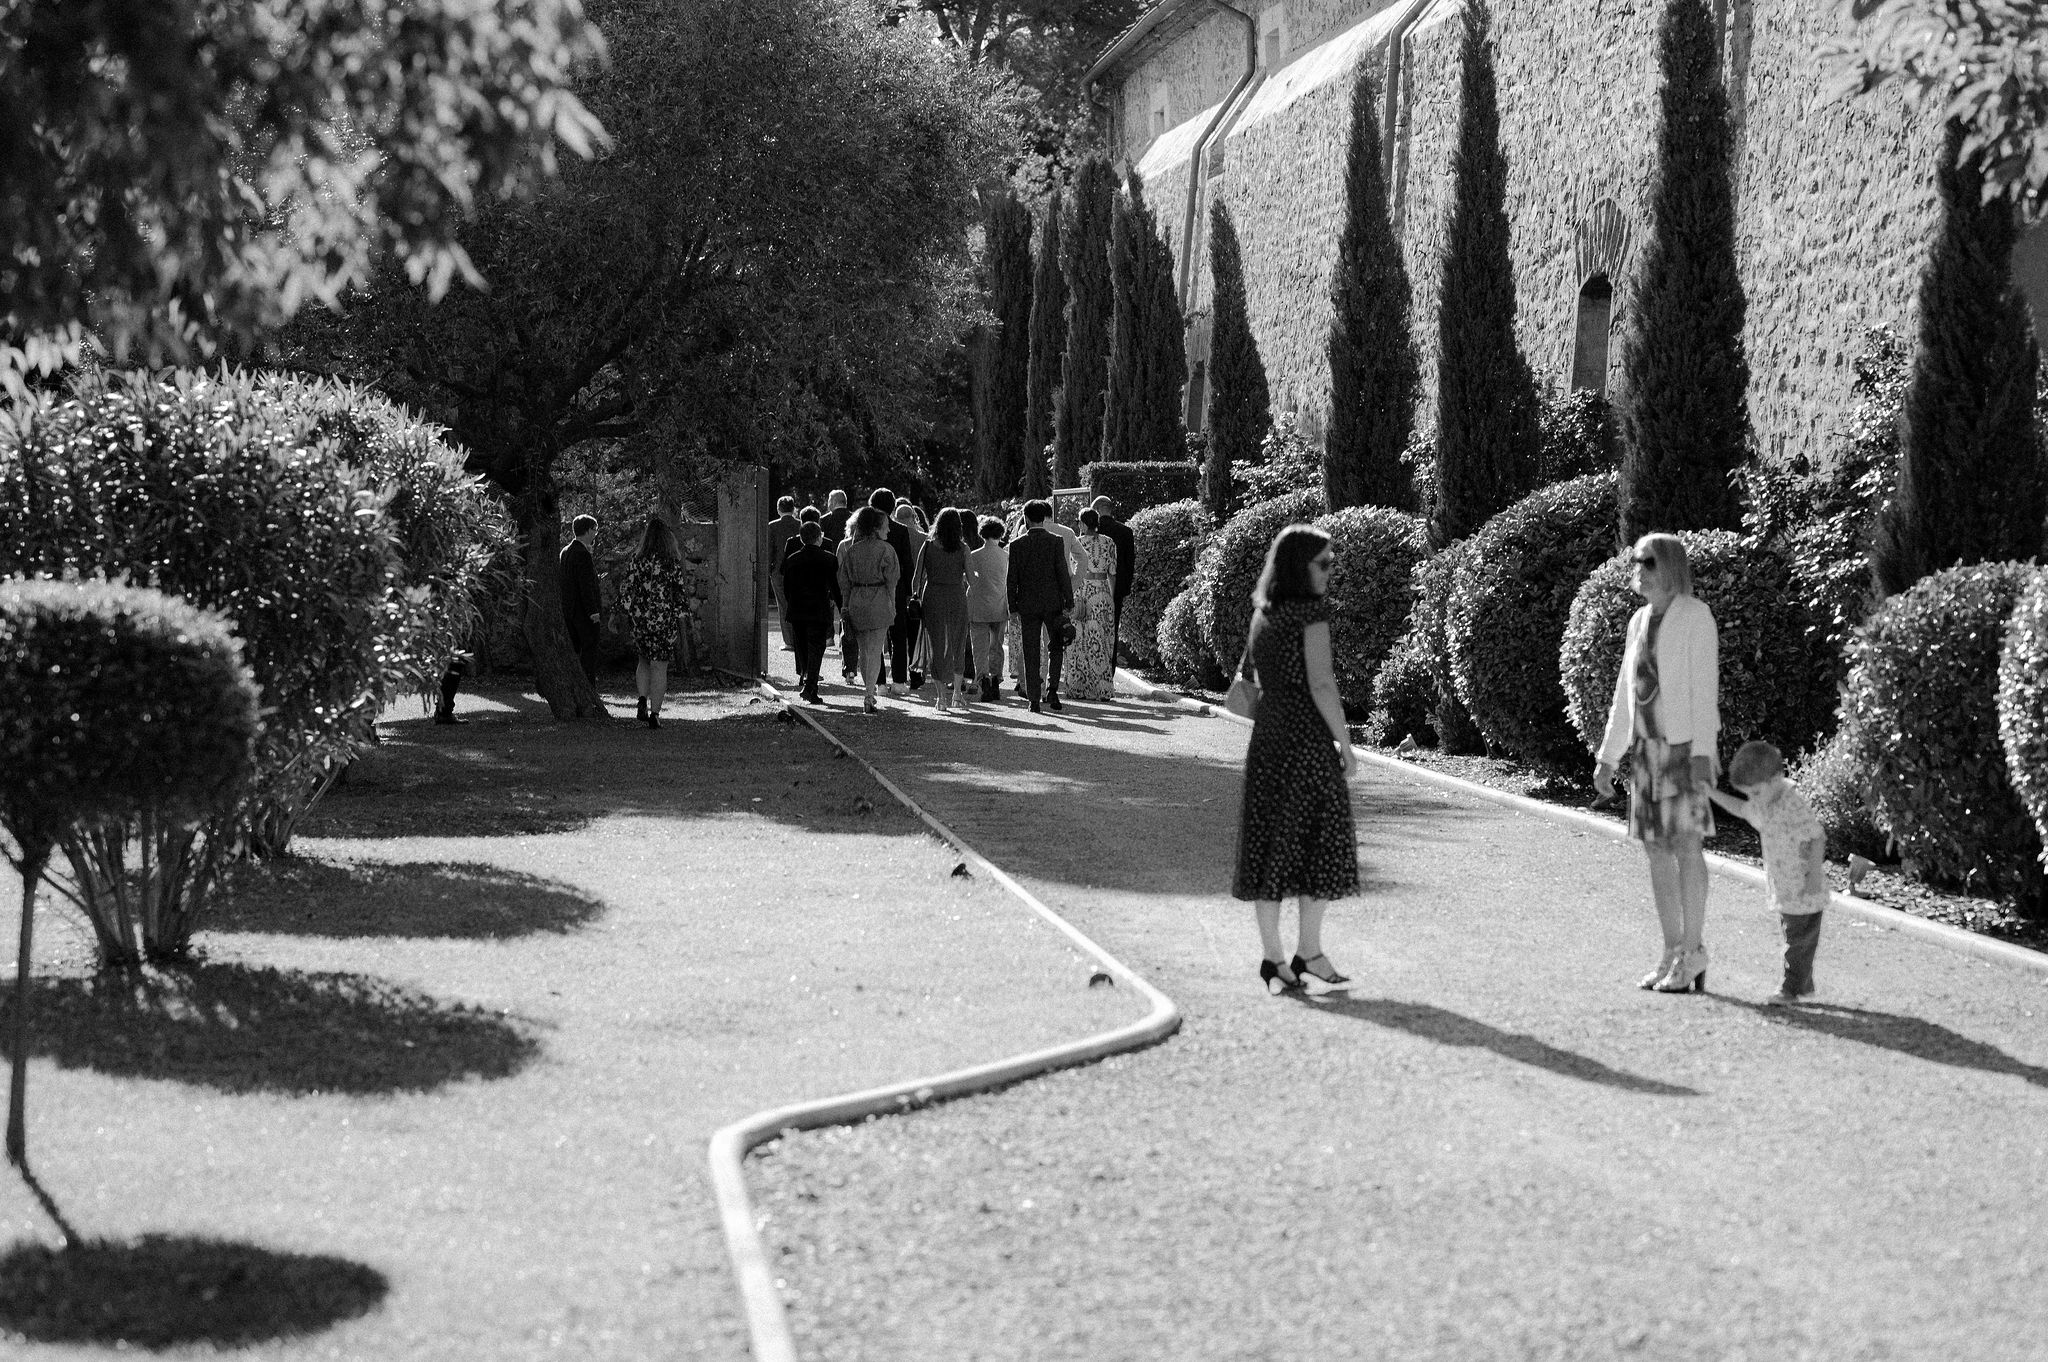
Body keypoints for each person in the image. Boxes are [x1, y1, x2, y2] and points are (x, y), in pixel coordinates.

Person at [1232, 524, 1359, 995]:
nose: (1329, 571)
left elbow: (1246, 684)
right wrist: (1345, 744)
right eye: (1323, 563)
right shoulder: (1311, 614)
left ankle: (1274, 959)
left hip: (1268, 739)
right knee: (1318, 841)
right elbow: (1322, 683)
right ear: (1299, 566)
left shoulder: (1262, 615)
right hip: (1306, 739)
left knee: (1269, 844)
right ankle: (1310, 951)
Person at [1594, 532, 1722, 995]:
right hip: (1647, 753)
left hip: (1684, 750)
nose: (1639, 570)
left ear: (1669, 566)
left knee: (1687, 847)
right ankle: (1671, 951)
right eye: (1637, 561)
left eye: (1647, 561)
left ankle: (1693, 951)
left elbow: (1705, 690)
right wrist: (1608, 757)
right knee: (1656, 851)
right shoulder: (1638, 621)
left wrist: (1704, 753)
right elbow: (1625, 694)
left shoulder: (1695, 615)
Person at [1708, 741, 1830, 1005]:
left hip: (1803, 887)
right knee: (1797, 938)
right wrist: (1710, 793)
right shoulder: (1766, 801)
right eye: (1749, 794)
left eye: (1755, 792)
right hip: (1788, 888)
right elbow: (1742, 809)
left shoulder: (1791, 804)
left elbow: (1817, 837)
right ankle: (1801, 985)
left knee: (1797, 941)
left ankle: (1790, 988)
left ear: (1775, 779)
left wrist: (1813, 876)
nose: (1753, 799)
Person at [618, 516, 690, 729]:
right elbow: (679, 592)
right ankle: (655, 714)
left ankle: (642, 698)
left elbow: (627, 587)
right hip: (663, 620)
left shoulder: (637, 559)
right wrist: (682, 617)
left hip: (640, 619)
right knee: (660, 666)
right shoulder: (671, 561)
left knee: (643, 660)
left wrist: (621, 611)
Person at [1006, 499, 1073, 714]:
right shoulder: (1055, 541)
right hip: (1052, 602)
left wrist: (1012, 606)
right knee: (1056, 646)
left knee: (1031, 650)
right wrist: (1069, 600)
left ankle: (1034, 699)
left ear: (1026, 518)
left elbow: (1011, 579)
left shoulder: (1017, 545)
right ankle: (1052, 689)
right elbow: (1062, 572)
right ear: (1044, 518)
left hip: (1027, 604)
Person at [837, 505, 900, 713]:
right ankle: (869, 695)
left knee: (864, 652)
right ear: (875, 528)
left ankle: (868, 691)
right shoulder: (886, 550)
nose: (888, 529)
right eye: (885, 526)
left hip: (857, 601)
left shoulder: (852, 550)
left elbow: (844, 583)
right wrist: (892, 606)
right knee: (875, 651)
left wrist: (845, 606)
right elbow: (892, 582)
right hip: (879, 600)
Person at [913, 507, 973, 712]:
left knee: (936, 645)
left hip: (933, 597)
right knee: (958, 643)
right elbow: (972, 580)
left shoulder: (928, 545)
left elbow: (916, 577)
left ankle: (941, 699)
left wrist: (915, 597)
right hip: (956, 596)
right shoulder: (963, 548)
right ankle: (956, 694)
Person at [781, 521, 843, 705]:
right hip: (818, 609)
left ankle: (808, 680)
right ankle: (810, 686)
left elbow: (786, 589)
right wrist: (841, 607)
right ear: (819, 538)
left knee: (802, 648)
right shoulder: (829, 559)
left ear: (801, 538)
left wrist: (792, 603)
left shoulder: (792, 559)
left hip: (798, 609)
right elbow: (835, 587)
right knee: (816, 648)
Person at [1064, 508, 1118, 701]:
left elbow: (1072, 571)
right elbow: (1113, 572)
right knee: (1102, 639)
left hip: (1082, 591)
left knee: (1079, 640)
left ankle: (1079, 686)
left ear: (1083, 523)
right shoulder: (1109, 542)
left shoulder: (1077, 542)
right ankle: (1103, 689)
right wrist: (1111, 597)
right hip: (1102, 593)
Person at [967, 516, 1010, 703]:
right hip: (999, 606)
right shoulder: (1006, 556)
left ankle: (982, 678)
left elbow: (968, 578)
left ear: (982, 534)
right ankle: (996, 679)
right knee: (996, 646)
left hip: (978, 606)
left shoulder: (974, 556)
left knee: (979, 647)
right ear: (1001, 534)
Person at [1091, 495, 1136, 662]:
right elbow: (1130, 562)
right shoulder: (1126, 531)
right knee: (1113, 627)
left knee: (1093, 627)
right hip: (1117, 590)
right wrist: (1124, 589)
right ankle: (1110, 666)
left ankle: (1096, 663)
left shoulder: (1092, 531)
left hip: (1094, 586)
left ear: (1097, 510)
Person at [559, 513, 603, 685]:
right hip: (583, 612)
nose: (595, 534)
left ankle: (573, 685)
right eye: (595, 530)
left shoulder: (565, 551)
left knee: (574, 650)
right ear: (587, 531)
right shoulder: (582, 553)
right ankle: (588, 686)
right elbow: (585, 585)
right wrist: (593, 611)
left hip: (569, 610)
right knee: (589, 650)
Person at [891, 501, 929, 690]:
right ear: (914, 517)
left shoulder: (894, 536)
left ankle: (898, 674)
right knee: (915, 634)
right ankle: (915, 673)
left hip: (898, 590)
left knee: (897, 636)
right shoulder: (924, 539)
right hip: (918, 593)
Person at [767, 497, 803, 652]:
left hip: (779, 572)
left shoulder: (772, 526)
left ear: (778, 509)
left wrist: (769, 570)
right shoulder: (801, 524)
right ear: (793, 508)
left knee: (783, 605)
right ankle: (799, 637)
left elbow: (770, 551)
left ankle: (788, 641)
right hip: (799, 570)